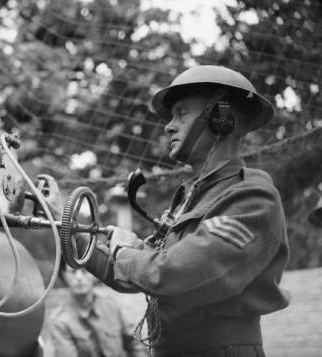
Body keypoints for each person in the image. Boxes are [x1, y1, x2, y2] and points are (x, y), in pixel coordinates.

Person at [75, 65, 290, 357]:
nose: (169, 125)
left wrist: (126, 253)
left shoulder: (252, 197)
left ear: (220, 118)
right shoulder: (190, 198)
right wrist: (67, 228)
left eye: (182, 113)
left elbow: (172, 273)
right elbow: (136, 274)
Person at [45, 260, 148, 357]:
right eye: (73, 272)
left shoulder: (110, 306)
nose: (79, 277)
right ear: (64, 276)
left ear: (93, 275)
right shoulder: (59, 320)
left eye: (84, 271)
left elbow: (134, 343)